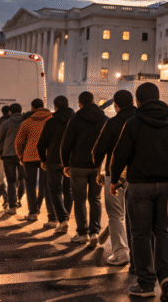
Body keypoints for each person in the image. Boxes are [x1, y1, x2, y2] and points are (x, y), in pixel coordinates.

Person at [110, 82, 168, 299]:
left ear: (138, 101)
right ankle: (167, 275)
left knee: (140, 235)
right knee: (163, 231)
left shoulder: (133, 123)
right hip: (167, 185)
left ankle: (145, 284)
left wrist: (114, 180)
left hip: (139, 186)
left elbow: (120, 155)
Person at [93, 89, 136, 267]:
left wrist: (99, 171)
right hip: (138, 175)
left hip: (115, 174)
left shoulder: (113, 123)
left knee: (115, 214)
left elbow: (99, 150)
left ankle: (121, 253)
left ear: (116, 106)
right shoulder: (141, 120)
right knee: (136, 215)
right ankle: (138, 254)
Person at [61, 90, 107, 246]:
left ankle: (82, 233)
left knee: (79, 200)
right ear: (93, 101)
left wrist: (66, 164)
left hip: (78, 166)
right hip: (97, 167)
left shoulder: (75, 120)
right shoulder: (104, 119)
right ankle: (94, 232)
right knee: (95, 199)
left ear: (80, 104)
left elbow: (66, 145)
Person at [38, 95, 73, 232]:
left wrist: (43, 160)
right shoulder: (74, 120)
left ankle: (62, 219)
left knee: (54, 190)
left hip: (53, 160)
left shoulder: (51, 122)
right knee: (68, 190)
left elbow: (41, 144)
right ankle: (65, 218)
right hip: (70, 161)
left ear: (55, 107)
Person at [15, 98, 52, 223]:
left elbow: (19, 141)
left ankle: (33, 212)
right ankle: (47, 213)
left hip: (29, 156)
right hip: (46, 156)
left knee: (30, 185)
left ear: (32, 108)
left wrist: (20, 155)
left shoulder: (27, 122)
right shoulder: (51, 119)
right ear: (43, 106)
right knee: (45, 185)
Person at [0, 103, 26, 216]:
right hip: (22, 155)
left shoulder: (6, 123)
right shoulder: (26, 123)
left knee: (11, 181)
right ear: (21, 111)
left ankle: (12, 206)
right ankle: (19, 200)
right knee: (22, 179)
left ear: (10, 112)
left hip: (8, 156)